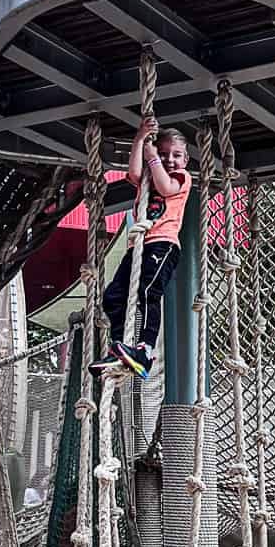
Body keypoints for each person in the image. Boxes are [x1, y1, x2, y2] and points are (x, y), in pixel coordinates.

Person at [91, 118, 191, 379]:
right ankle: (119, 348)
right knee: (113, 295)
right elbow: (135, 174)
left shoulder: (182, 178)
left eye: (176, 155)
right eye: (164, 153)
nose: (170, 159)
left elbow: (166, 188)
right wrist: (140, 140)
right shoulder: (148, 177)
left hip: (163, 243)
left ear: (186, 160)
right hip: (139, 246)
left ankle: (144, 350)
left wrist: (154, 159)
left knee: (148, 291)